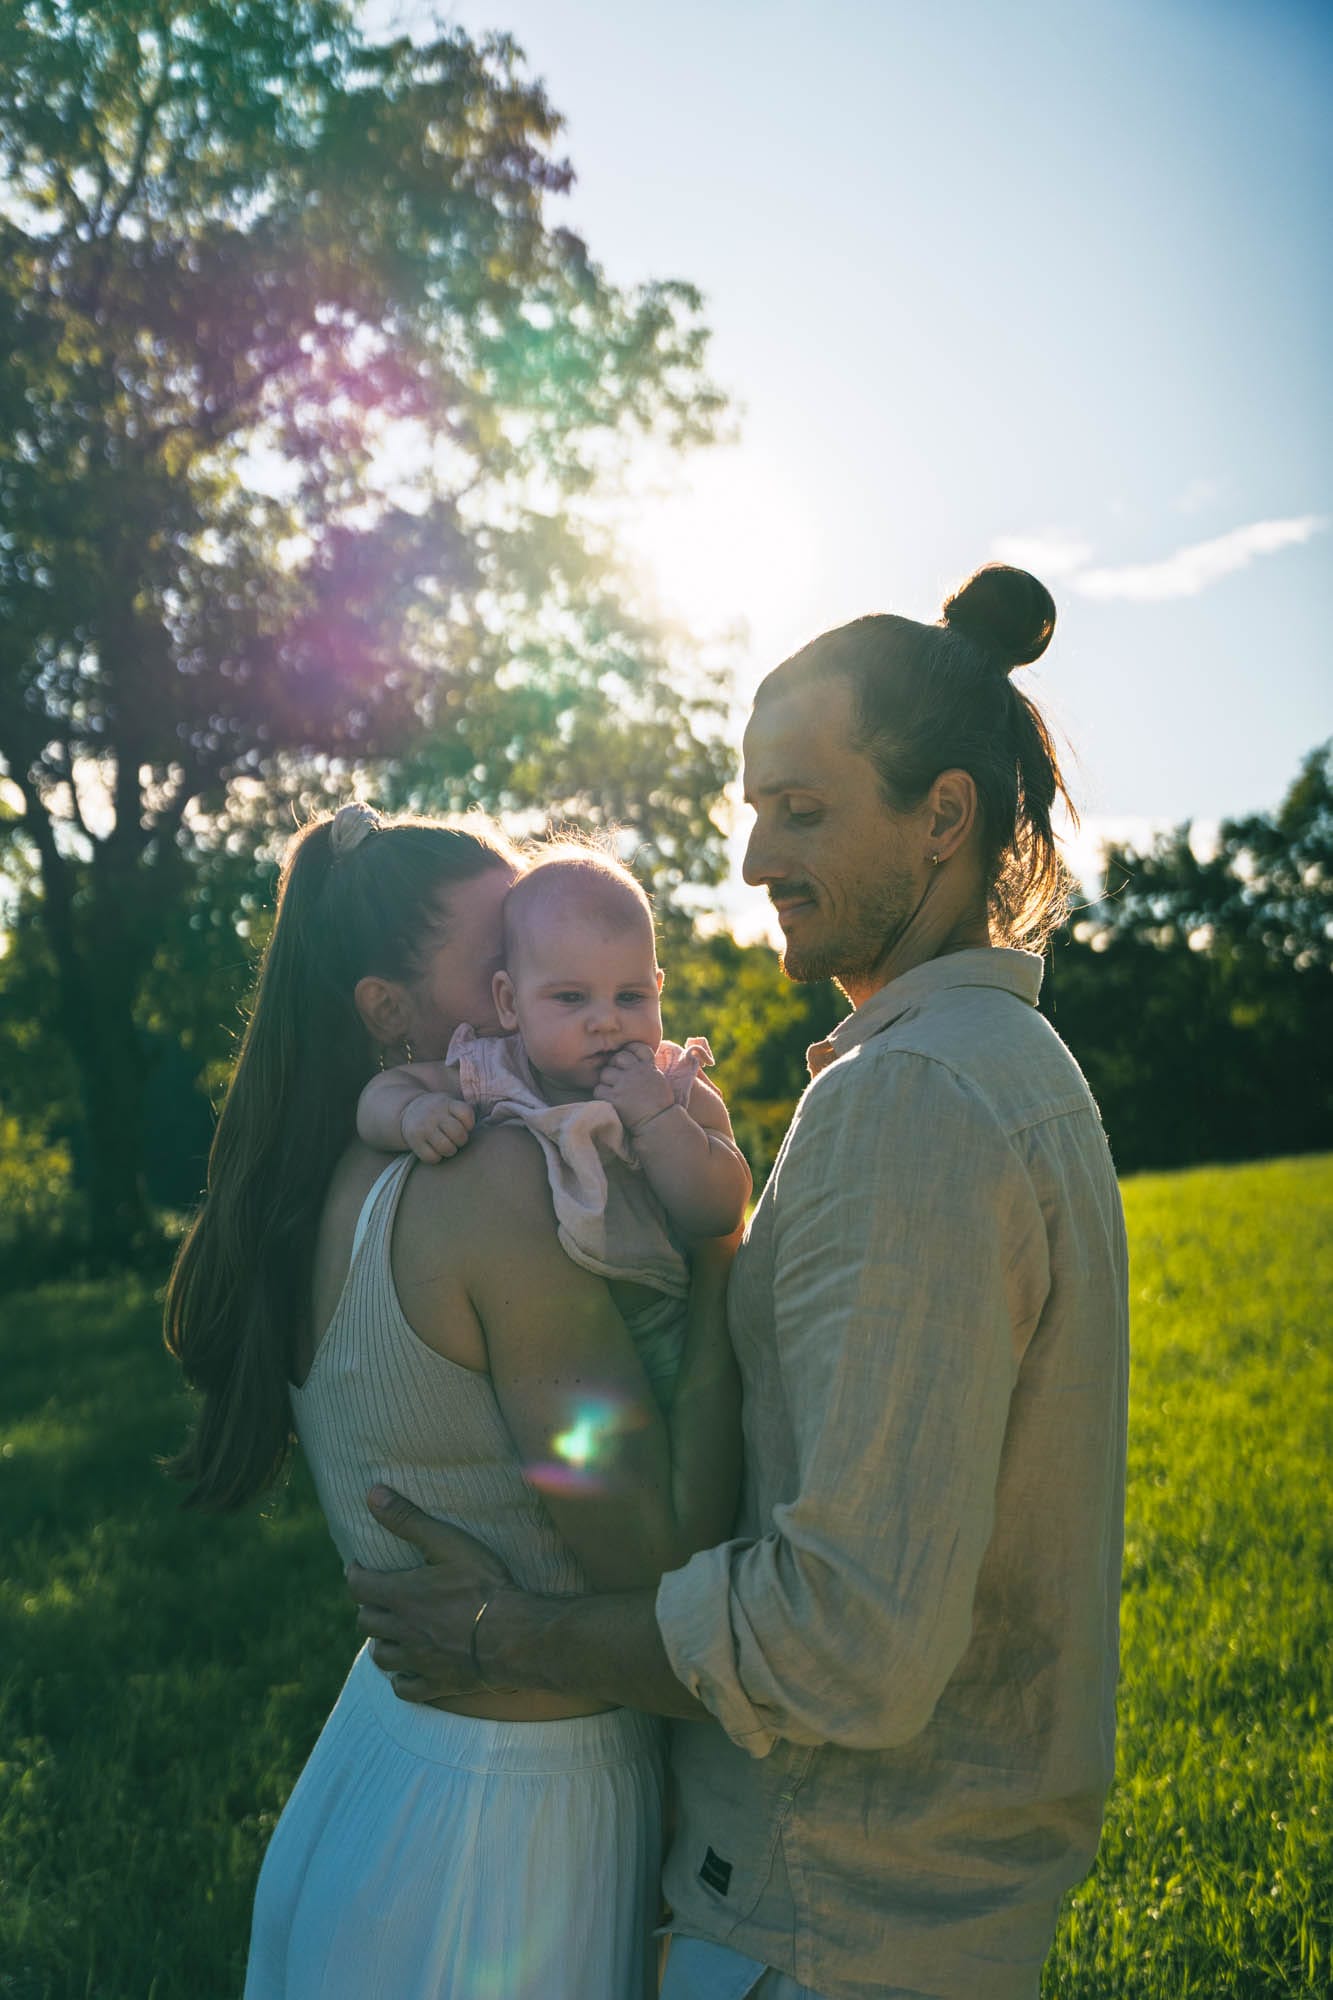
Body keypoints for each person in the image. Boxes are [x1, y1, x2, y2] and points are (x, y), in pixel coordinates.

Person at [347, 564, 1132, 2000]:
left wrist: (508, 1634)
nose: (756, 855)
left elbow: (850, 1642)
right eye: (752, 805)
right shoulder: (1005, 1074)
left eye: (806, 809)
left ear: (942, 816)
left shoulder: (919, 1105)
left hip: (827, 1921)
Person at [164, 806, 742, 2000]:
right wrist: (725, 1248)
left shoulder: (332, 1173)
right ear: (390, 1010)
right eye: (503, 959)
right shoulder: (486, 1183)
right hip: (507, 1828)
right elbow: (663, 1548)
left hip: (388, 1769)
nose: (526, 980)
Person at [357, 843, 752, 1408]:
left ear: (659, 989)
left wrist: (658, 1119)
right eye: (570, 998)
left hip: (668, 1326)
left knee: (698, 1458)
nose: (606, 1021)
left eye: (631, 996)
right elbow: (384, 1091)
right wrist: (411, 1114)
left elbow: (722, 1208)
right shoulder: (496, 1069)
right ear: (510, 1002)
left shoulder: (672, 1084)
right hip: (547, 1334)